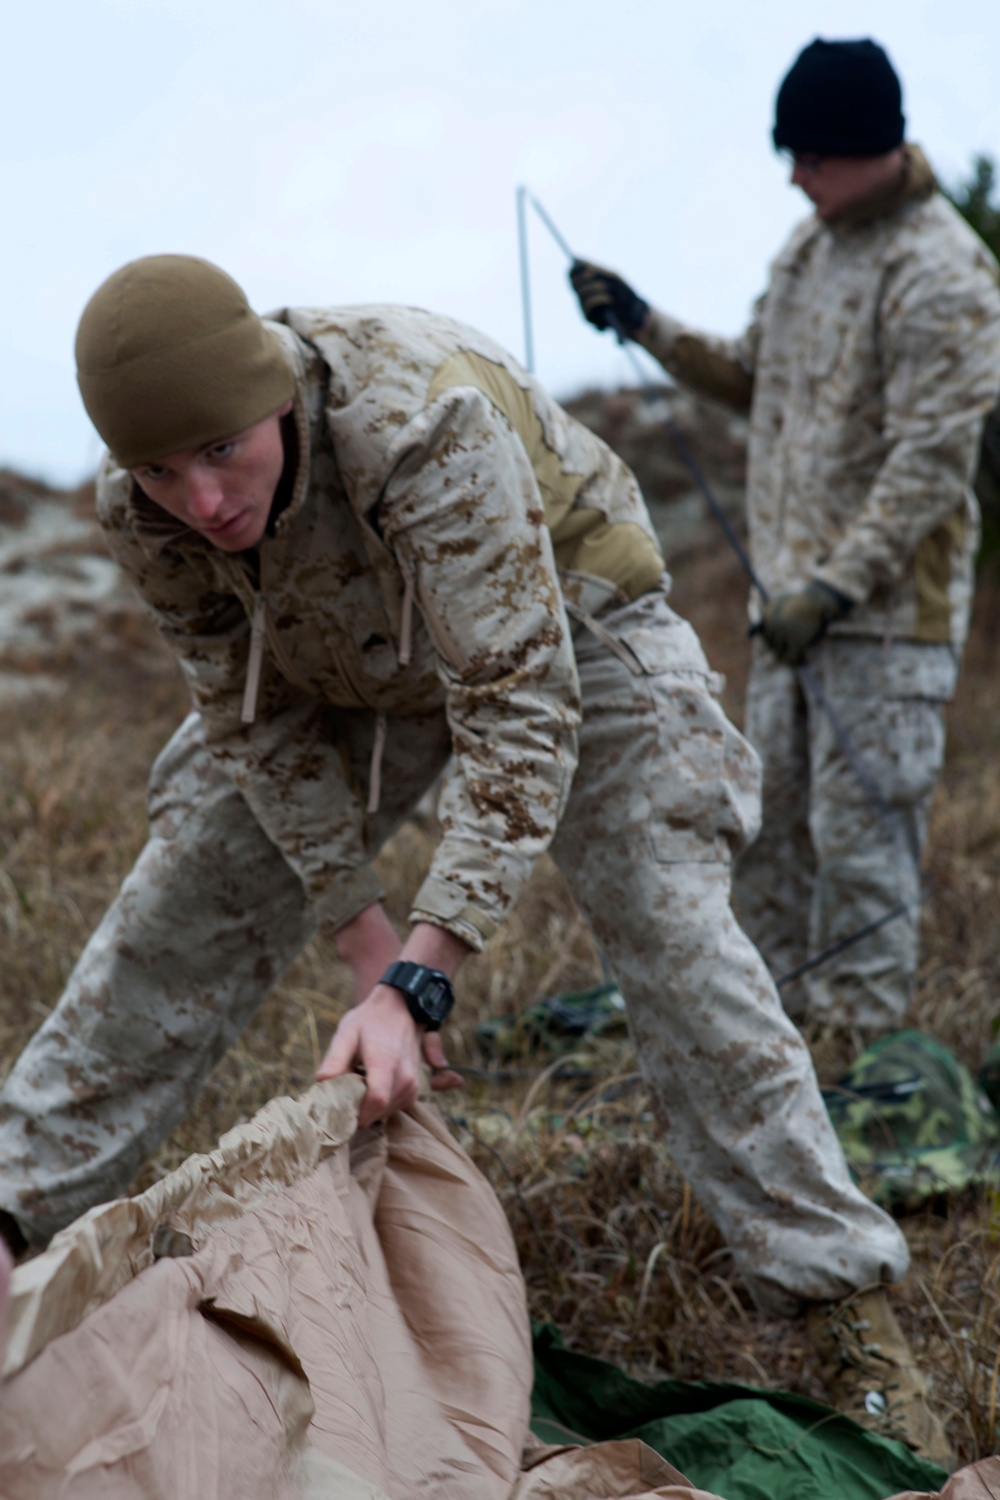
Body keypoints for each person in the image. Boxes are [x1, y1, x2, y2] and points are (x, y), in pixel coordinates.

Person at [0, 253, 949, 1461]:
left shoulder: (419, 424)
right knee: (173, 909)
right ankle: (11, 1211)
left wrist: (424, 979)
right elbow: (250, 721)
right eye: (158, 469)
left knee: (671, 929)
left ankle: (844, 1305)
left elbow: (517, 703)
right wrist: (365, 938)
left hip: (571, 634)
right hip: (339, 673)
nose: (202, 500)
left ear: (276, 396)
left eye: (224, 451)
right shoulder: (142, 510)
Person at [569, 37, 1000, 1038]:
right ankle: (763, 1041)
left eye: (809, 155)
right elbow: (750, 375)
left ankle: (858, 1057)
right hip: (787, 614)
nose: (793, 175)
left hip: (882, 626)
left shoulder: (945, 273)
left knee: (860, 849)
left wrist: (833, 591)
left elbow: (929, 465)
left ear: (871, 147)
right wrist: (642, 322)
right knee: (766, 842)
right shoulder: (806, 249)